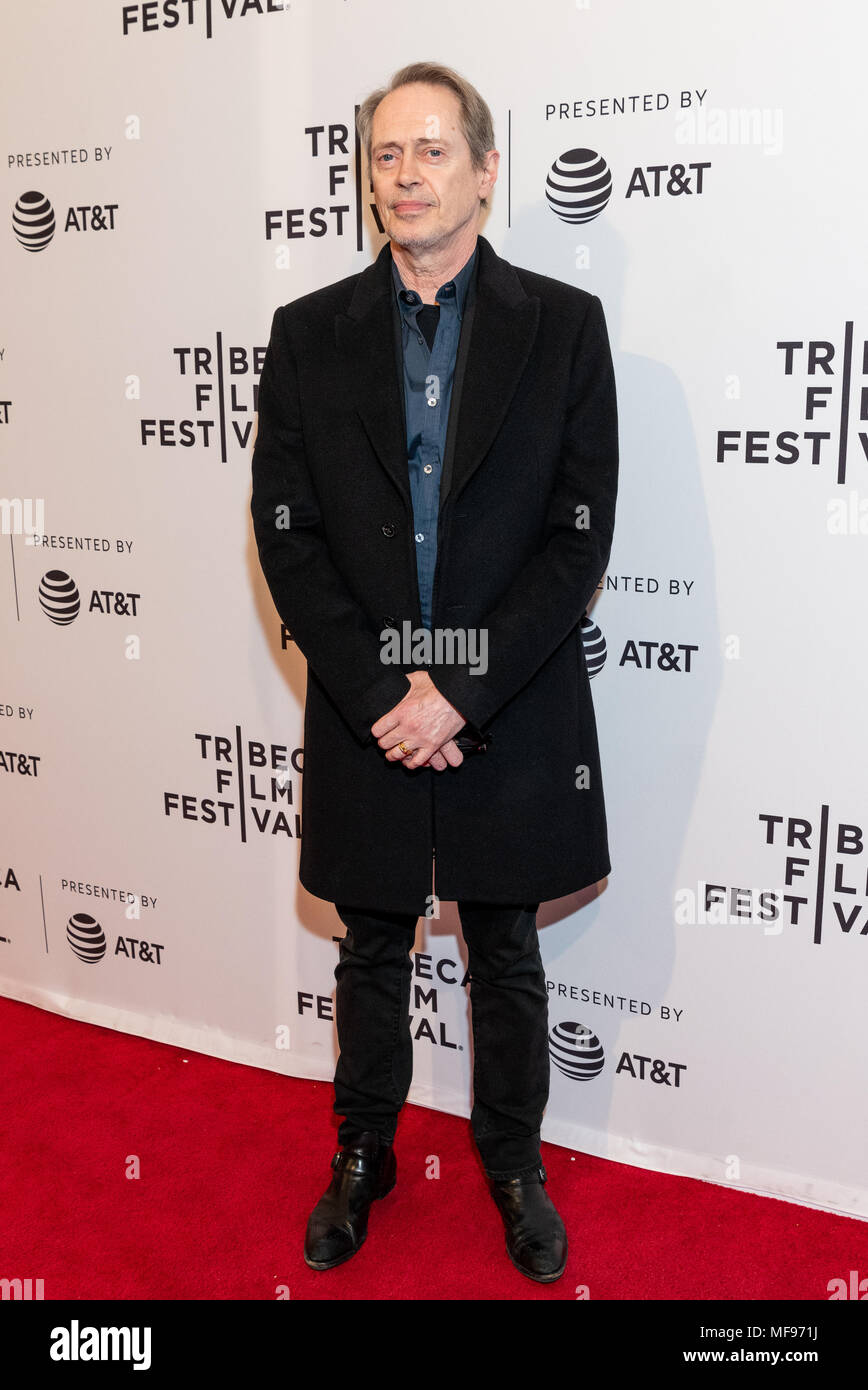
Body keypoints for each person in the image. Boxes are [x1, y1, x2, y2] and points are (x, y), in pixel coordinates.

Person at [250, 60, 619, 1284]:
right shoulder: (309, 337)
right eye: (386, 156)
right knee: (370, 945)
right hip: (368, 704)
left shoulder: (562, 327)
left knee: (504, 947)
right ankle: (363, 1154)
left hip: (500, 700)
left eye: (431, 152)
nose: (406, 176)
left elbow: (577, 532)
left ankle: (513, 1162)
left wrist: (456, 690)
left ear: (485, 169)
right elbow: (288, 531)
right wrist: (379, 694)